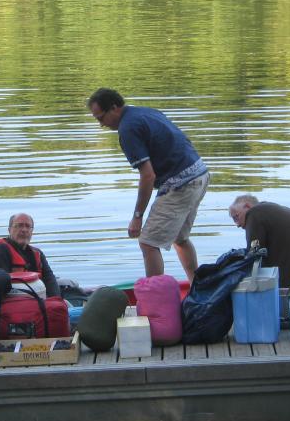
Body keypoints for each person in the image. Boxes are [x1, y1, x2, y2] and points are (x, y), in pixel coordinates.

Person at [87, 88, 210, 283]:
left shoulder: (127, 129)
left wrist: (137, 216)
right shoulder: (146, 112)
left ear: (114, 108)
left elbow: (148, 176)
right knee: (180, 238)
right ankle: (199, 288)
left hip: (180, 184)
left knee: (148, 242)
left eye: (100, 118)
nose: (101, 124)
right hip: (200, 174)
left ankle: (157, 302)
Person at [228, 194, 290, 288]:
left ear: (247, 206)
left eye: (236, 217)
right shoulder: (270, 211)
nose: (238, 225)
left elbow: (253, 251)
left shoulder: (254, 213)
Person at [0, 213, 60, 297]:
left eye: (28, 226)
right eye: (19, 225)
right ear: (9, 230)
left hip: (39, 294)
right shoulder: (0, 250)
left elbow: (49, 279)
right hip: (14, 299)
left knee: (69, 284)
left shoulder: (37, 253)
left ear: (32, 231)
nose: (24, 230)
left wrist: (56, 300)